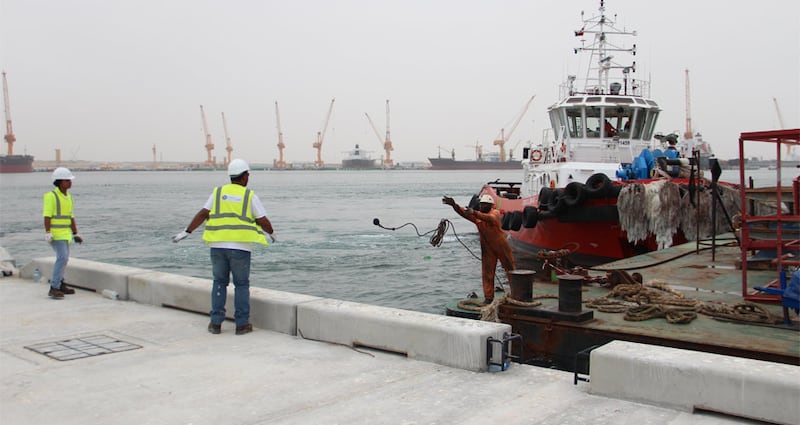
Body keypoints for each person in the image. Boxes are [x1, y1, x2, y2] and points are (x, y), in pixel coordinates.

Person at [172, 159, 276, 335]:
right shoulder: (249, 196)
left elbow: (203, 213)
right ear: (245, 177)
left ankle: (215, 324)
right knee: (241, 285)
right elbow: (262, 220)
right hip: (240, 247)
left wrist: (187, 232)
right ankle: (242, 324)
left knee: (219, 283)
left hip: (218, 246)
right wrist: (272, 233)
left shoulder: (218, 193)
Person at [442, 194, 515, 304]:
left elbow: (490, 218)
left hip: (501, 245)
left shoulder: (494, 213)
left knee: (510, 269)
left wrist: (474, 212)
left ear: (490, 205)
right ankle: (489, 297)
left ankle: (517, 293)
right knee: (487, 273)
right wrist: (454, 205)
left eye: (484, 204)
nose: (481, 206)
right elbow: (464, 213)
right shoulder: (478, 218)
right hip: (487, 248)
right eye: (481, 204)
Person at [42, 167, 82, 299]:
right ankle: (54, 287)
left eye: (70, 180)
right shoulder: (51, 196)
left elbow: (71, 217)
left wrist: (75, 233)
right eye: (67, 180)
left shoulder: (69, 197)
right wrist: (48, 232)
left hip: (66, 234)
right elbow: (47, 216)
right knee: (62, 258)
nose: (70, 182)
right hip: (56, 234)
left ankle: (60, 284)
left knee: (64, 260)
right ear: (59, 181)